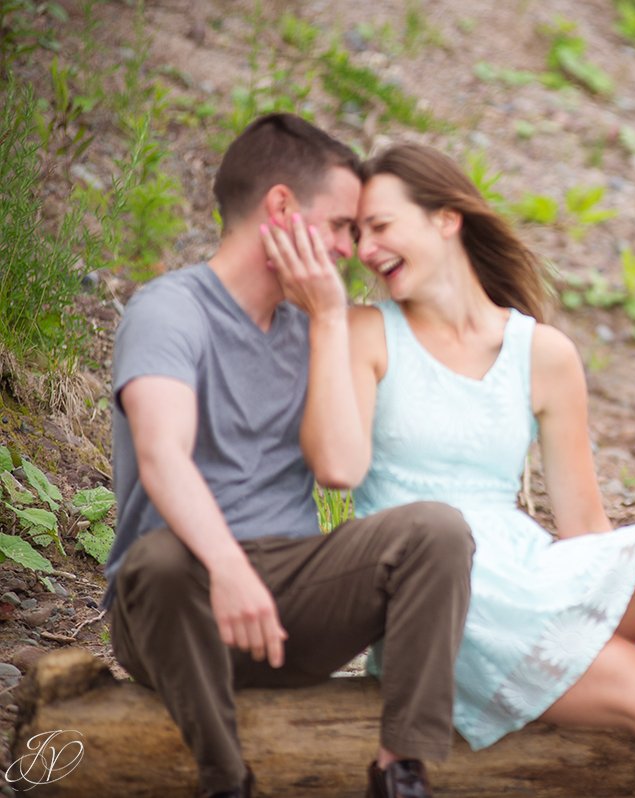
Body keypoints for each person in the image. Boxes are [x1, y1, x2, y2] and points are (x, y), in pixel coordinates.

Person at [262, 142, 635, 798]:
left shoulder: (541, 352)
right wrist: (324, 317)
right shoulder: (361, 331)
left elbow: (584, 530)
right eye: (354, 234)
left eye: (379, 226)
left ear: (446, 218)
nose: (366, 250)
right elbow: (335, 469)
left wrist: (606, 636)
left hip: (531, 575)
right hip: (444, 597)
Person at [105, 115, 473, 798]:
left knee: (438, 530)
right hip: (175, 607)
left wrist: (331, 322)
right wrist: (228, 568)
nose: (350, 249)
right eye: (340, 226)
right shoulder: (170, 311)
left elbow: (339, 470)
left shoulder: (315, 328)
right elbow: (162, 457)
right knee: (159, 560)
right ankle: (225, 780)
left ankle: (401, 773)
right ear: (280, 207)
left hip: (287, 610)